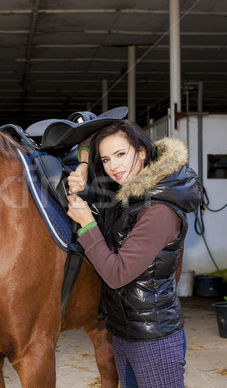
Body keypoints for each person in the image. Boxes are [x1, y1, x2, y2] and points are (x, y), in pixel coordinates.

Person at [66, 120, 201, 388]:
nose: (113, 166)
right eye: (105, 159)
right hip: (125, 332)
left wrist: (86, 224)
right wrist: (82, 166)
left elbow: (117, 274)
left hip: (153, 339)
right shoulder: (132, 197)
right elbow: (88, 137)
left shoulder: (158, 212)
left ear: (141, 152)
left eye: (120, 154)